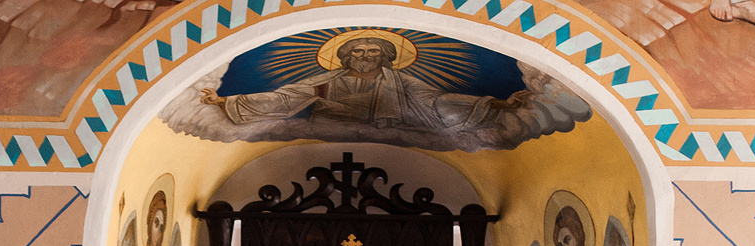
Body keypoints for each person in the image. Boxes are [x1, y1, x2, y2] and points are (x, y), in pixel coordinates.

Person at [200, 35, 522, 132]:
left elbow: (437, 103)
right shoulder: (325, 82)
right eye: (357, 51)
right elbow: (284, 100)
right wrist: (226, 102)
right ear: (346, 57)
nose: (364, 56)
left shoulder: (403, 83)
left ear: (384, 57)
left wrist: (493, 104)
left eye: (372, 51)